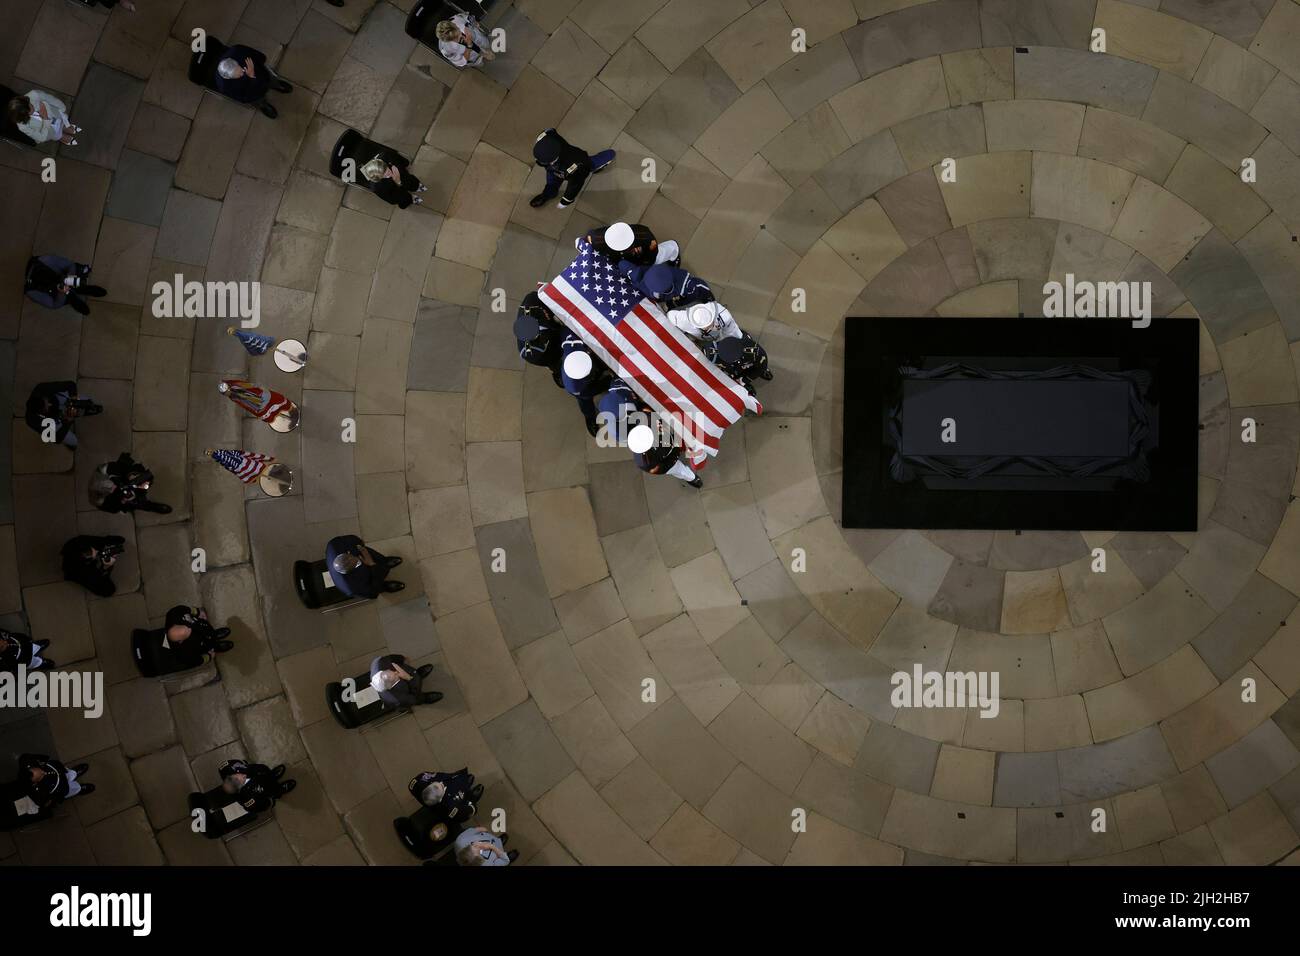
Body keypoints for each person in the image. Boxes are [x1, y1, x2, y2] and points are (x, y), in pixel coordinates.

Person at [529, 128, 615, 209]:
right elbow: (550, 130)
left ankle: (609, 156)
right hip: (555, 169)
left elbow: (575, 185)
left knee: (593, 164)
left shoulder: (577, 166)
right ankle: (548, 194)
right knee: (551, 183)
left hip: (581, 165)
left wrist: (566, 200)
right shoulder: (545, 137)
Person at [212, 44, 292, 119]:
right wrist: (252, 77)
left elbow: (259, 56)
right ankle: (263, 105)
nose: (242, 72)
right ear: (228, 78)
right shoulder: (224, 86)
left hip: (262, 74)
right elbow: (243, 98)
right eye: (238, 75)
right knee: (257, 100)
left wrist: (259, 67)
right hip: (251, 93)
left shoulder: (237, 50)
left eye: (239, 69)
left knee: (269, 79)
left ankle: (276, 84)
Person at [24, 381, 102, 449]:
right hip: (52, 421)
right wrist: (67, 422)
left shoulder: (41, 388)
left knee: (85, 400)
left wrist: (74, 400)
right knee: (73, 441)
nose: (50, 404)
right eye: (46, 407)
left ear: (42, 396)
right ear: (40, 413)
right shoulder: (33, 420)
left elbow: (70, 385)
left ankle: (86, 408)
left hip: (58, 400)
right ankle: (71, 443)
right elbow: (57, 439)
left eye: (47, 401)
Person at [89, 452, 172, 514]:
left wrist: (125, 497)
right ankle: (153, 505)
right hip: (121, 489)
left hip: (121, 486)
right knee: (136, 499)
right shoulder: (113, 473)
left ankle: (138, 492)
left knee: (139, 486)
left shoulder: (127, 470)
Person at [325, 535, 404, 598]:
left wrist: (362, 548)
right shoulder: (352, 588)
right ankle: (385, 587)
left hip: (361, 552)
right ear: (349, 572)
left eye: (350, 556)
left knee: (377, 557)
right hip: (369, 575)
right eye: (356, 563)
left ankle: (384, 561)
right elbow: (372, 593)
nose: (357, 559)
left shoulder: (334, 545)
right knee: (378, 581)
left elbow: (354, 539)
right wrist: (372, 565)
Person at [24, 255, 107, 315]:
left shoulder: (44, 260)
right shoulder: (44, 261)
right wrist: (64, 291)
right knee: (70, 290)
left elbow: (70, 265)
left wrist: (67, 279)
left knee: (73, 279)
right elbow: (53, 304)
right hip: (56, 291)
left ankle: (81, 291)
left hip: (60, 278)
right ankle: (78, 295)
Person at [515, 292, 565, 388]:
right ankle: (560, 375)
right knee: (557, 364)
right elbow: (553, 353)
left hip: (551, 327)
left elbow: (540, 296)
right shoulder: (535, 353)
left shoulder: (531, 302)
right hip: (547, 355)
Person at [630, 422, 702, 489]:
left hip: (671, 442)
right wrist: (674, 458)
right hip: (668, 463)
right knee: (679, 470)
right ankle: (691, 478)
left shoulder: (648, 426)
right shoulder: (645, 462)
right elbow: (663, 467)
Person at [561, 340, 609, 437]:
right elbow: (591, 391)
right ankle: (590, 417)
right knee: (585, 403)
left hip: (589, 363)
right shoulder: (575, 386)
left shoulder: (571, 346)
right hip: (585, 388)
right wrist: (608, 382)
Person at [620, 261, 714, 311]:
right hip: (664, 296)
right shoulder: (650, 271)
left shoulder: (639, 282)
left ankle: (707, 298)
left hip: (658, 294)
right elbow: (699, 285)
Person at [584, 222, 679, 268]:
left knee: (660, 256)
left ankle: (674, 250)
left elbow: (652, 254)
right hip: (619, 260)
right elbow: (586, 242)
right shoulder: (596, 238)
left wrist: (646, 265)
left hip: (642, 257)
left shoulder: (645, 237)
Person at [164, 605, 233, 669]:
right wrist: (209, 656)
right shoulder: (183, 654)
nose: (189, 627)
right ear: (180, 641)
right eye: (188, 632)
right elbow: (196, 661)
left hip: (201, 626)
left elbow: (185, 609)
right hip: (200, 645)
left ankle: (214, 634)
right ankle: (215, 646)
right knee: (206, 644)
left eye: (187, 626)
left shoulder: (173, 615)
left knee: (204, 628)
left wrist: (198, 612)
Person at [409, 768, 483, 827]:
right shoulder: (451, 808)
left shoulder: (417, 784)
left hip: (451, 780)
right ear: (440, 799)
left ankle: (463, 781)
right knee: (465, 798)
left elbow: (421, 778)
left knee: (457, 779)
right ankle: (470, 795)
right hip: (456, 802)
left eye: (439, 783)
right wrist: (472, 805)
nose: (442, 783)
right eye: (443, 786)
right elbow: (464, 815)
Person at [218, 759, 295, 813]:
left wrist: (245, 765)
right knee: (272, 789)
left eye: (237, 775)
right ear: (239, 789)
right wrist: (270, 800)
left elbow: (240, 762)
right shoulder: (248, 800)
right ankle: (279, 790)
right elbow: (262, 806)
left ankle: (272, 775)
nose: (243, 775)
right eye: (241, 781)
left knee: (265, 772)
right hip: (264, 788)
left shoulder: (226, 768)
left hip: (258, 770)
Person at [7, 90, 80, 145]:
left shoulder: (34, 95)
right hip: (49, 131)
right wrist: (45, 118)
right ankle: (61, 136)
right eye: (29, 110)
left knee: (61, 122)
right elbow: (41, 137)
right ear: (23, 116)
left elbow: (52, 99)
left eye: (29, 104)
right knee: (57, 134)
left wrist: (62, 108)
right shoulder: (22, 126)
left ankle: (64, 127)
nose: (32, 107)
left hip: (55, 115)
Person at [370, 654, 444, 708]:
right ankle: (424, 698)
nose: (396, 672)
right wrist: (409, 678)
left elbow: (392, 658)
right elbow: (413, 697)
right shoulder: (396, 697)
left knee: (413, 672)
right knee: (417, 699)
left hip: (404, 671)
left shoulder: (378, 663)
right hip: (410, 688)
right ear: (391, 686)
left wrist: (402, 658)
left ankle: (418, 673)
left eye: (390, 671)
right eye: (395, 677)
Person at [358, 151, 427, 208]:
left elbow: (400, 160)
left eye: (386, 168)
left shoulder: (386, 155)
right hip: (397, 192)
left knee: (408, 179)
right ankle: (410, 198)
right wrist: (398, 182)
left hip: (405, 177)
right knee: (403, 198)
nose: (388, 172)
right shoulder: (377, 187)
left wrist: (400, 166)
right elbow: (392, 200)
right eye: (383, 174)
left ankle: (415, 186)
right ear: (378, 178)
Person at [20, 754, 94, 807]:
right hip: (59, 788)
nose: (44, 772)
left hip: (59, 772)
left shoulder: (26, 760)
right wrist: (54, 798)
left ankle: (73, 773)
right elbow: (47, 802)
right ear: (35, 783)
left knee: (66, 773)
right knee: (69, 789)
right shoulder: (39, 793)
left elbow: (43, 758)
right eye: (41, 776)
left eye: (39, 769)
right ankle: (79, 789)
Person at [665, 300, 742, 345]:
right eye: (707, 328)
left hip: (719, 336)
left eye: (710, 325)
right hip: (699, 337)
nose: (710, 328)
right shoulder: (682, 319)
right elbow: (670, 315)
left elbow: (733, 331)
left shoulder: (724, 316)